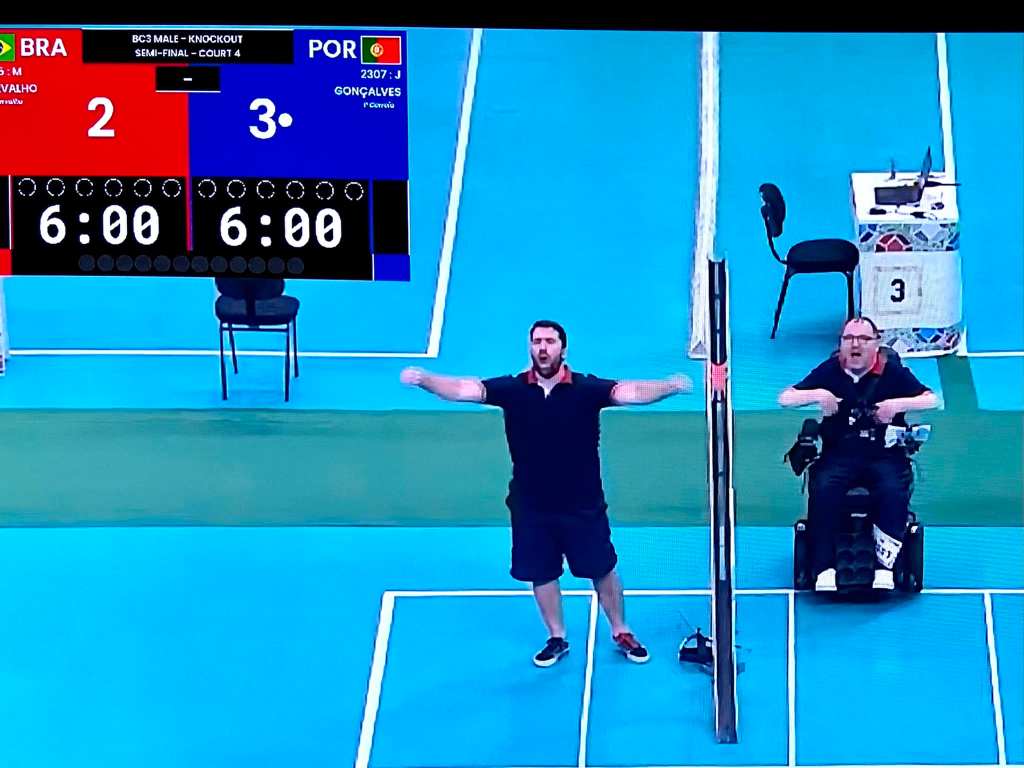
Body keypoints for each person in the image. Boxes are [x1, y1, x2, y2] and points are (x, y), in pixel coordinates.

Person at [401, 320, 693, 666]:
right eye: (537, 341)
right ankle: (556, 637)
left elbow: (630, 392)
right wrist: (425, 380)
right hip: (530, 505)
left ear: (563, 349)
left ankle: (621, 630)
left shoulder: (585, 389)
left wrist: (669, 386)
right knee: (542, 572)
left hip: (583, 503)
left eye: (550, 341)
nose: (542, 348)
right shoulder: (512, 389)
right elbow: (464, 389)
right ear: (530, 347)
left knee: (602, 569)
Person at [778, 316, 940, 591]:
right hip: (839, 454)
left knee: (893, 490)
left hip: (884, 455)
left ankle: (885, 567)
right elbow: (785, 398)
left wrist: (896, 405)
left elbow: (931, 399)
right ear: (841, 343)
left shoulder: (892, 372)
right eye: (849, 339)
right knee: (824, 488)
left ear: (876, 343)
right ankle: (824, 567)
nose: (856, 344)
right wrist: (819, 395)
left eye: (864, 339)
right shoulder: (830, 370)